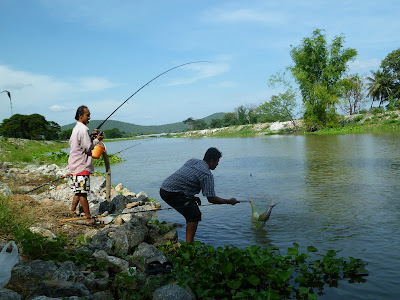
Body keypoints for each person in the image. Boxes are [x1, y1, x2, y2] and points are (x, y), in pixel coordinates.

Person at [160, 147, 239, 243]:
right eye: (217, 161)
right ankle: (189, 245)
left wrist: (191, 197)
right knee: (194, 215)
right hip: (171, 193)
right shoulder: (207, 174)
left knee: (191, 209)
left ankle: (188, 242)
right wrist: (229, 201)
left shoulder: (193, 161)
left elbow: (184, 180)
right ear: (211, 160)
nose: (218, 164)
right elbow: (211, 199)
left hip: (164, 188)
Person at [68, 105, 103, 224]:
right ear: (80, 116)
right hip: (81, 165)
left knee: (78, 191)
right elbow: (88, 147)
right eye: (87, 115)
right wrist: (97, 139)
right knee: (82, 192)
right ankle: (88, 218)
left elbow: (76, 143)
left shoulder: (76, 129)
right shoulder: (83, 129)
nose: (89, 117)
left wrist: (91, 137)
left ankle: (72, 211)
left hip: (75, 164)